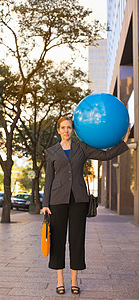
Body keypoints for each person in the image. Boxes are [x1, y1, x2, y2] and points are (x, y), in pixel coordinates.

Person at [41, 116, 129, 295]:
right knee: (57, 240)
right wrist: (45, 203)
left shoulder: (82, 148)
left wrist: (124, 142)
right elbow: (49, 178)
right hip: (57, 201)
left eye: (69, 128)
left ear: (73, 130)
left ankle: (74, 280)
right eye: (63, 128)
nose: (66, 131)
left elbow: (106, 155)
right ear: (58, 130)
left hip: (79, 200)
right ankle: (60, 280)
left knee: (77, 240)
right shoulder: (51, 152)